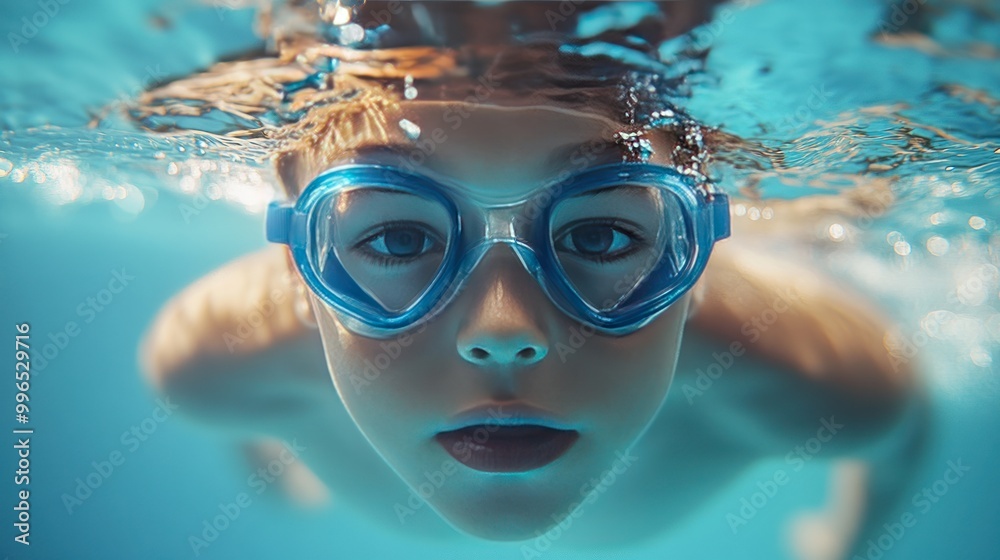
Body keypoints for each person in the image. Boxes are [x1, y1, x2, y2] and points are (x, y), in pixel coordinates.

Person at [138, 2, 927, 557]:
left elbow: (901, 441)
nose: (503, 335)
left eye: (599, 233)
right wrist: (273, 457)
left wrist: (850, 539)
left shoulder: (819, 384)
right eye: (401, 235)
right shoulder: (210, 364)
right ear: (295, 262)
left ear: (694, 251)